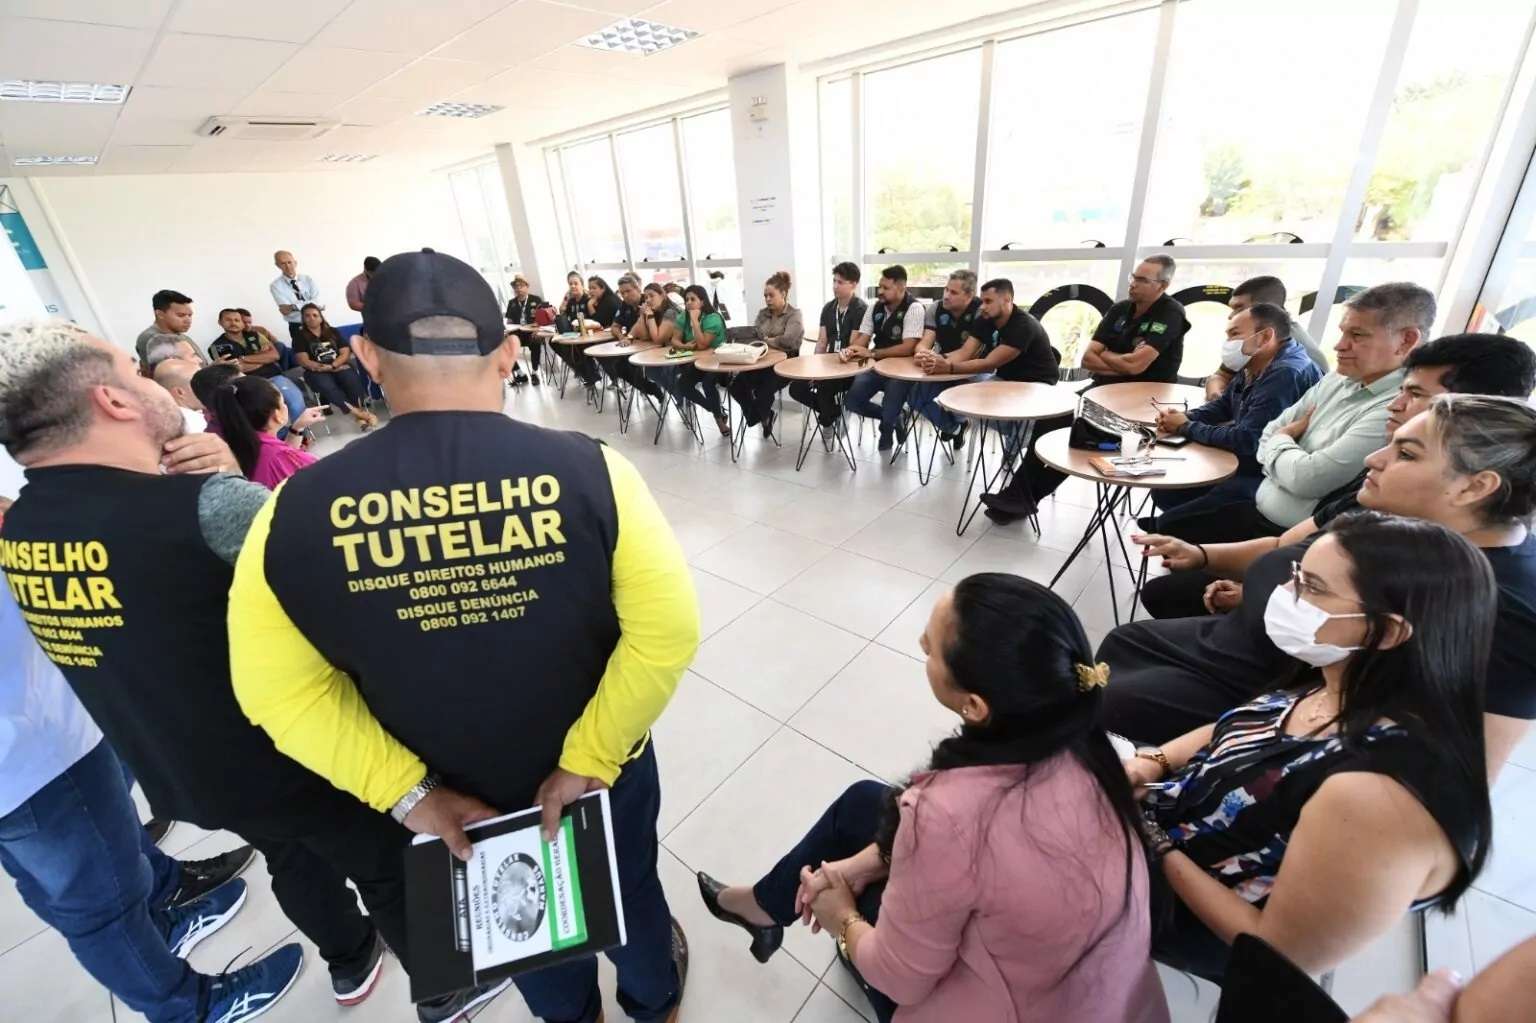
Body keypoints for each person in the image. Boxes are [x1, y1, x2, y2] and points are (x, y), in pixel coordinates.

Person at [227, 250, 698, 1023]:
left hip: (457, 794)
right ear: (510, 353)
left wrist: (408, 795)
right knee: (630, 888)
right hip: (601, 770)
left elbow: (275, 691)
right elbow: (666, 634)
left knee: (524, 931)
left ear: (367, 356)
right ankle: (653, 1001)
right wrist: (587, 756)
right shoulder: (592, 471)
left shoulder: (292, 510)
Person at [0, 318, 418, 1013]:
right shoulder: (209, 505)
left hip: (190, 773)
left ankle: (349, 957)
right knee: (389, 865)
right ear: (113, 400)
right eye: (133, 373)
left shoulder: (23, 528)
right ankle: (445, 985)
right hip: (300, 753)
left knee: (292, 857)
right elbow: (360, 596)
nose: (154, 380)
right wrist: (229, 480)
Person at [697, 574, 1167, 1023]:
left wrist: (841, 917)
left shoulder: (947, 812)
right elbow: (982, 856)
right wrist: (864, 862)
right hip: (1103, 999)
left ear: (976, 705)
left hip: (1004, 1007)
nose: (922, 644)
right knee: (864, 804)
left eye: (932, 648)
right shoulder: (1089, 746)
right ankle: (762, 906)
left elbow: (900, 977)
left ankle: (768, 911)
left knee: (856, 901)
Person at [1131, 512, 1493, 981]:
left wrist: (1152, 843)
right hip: (1159, 831)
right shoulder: (1339, 679)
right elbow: (1247, 726)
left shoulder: (1381, 796)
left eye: (1313, 588)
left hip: (1182, 909)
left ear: (1385, 631)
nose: (1287, 595)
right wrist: (1151, 762)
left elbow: (1281, 952)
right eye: (1296, 575)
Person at [1102, 394, 1536, 776]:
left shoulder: (1508, 612)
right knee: (1121, 645)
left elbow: (1454, 775)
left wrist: (1171, 763)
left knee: (1101, 699)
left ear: (1474, 486)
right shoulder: (1382, 507)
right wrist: (1229, 575)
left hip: (1272, 698)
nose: (1374, 459)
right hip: (1243, 648)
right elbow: (1284, 548)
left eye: (1406, 453)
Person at [0, 582, 297, 1023]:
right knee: (97, 904)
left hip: (37, 728)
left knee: (69, 872)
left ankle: (160, 912)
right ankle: (189, 1007)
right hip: (33, 753)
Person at [1134, 332, 1536, 620]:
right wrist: (1208, 558)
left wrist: (1267, 599)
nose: (1375, 461)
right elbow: (1284, 536)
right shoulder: (1379, 493)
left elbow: (1301, 473)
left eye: (1415, 396)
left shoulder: (1496, 603)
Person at [1148, 282, 1434, 544]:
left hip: (1280, 527)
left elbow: (1306, 477)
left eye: (1357, 335)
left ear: (1406, 341)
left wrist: (1282, 439)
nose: (1339, 345)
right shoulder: (1340, 378)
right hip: (1262, 493)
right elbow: (1267, 432)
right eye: (1343, 333)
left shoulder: (1397, 409)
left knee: (1171, 527)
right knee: (1168, 503)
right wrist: (1284, 446)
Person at [979, 258, 1189, 522]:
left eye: (1142, 280)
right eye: (1133, 277)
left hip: (1142, 401)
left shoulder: (1171, 312)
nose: (1133, 284)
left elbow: (1136, 366)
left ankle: (1021, 497)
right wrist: (1122, 363)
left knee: (1081, 435)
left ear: (1163, 285)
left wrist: (1112, 358)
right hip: (1103, 389)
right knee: (1052, 419)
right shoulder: (1121, 309)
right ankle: (1018, 496)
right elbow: (1088, 359)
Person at [1145, 303, 1324, 516]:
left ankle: (1178, 535)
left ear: (1265, 337)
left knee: (1176, 511)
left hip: (1269, 473)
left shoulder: (1285, 374)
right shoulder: (1255, 362)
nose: (1228, 343)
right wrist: (1186, 417)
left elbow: (1248, 439)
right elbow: (1224, 406)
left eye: (1234, 335)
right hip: (1249, 459)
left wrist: (1185, 427)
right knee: (1165, 493)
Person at [920, 278, 1059, 452]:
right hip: (1005, 378)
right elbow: (965, 352)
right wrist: (937, 359)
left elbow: (989, 363)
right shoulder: (986, 318)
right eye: (982, 300)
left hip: (1037, 383)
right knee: (957, 399)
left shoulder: (1023, 325)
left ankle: (1014, 449)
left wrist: (948, 367)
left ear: (1007, 300)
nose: (982, 306)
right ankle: (1015, 432)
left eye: (988, 301)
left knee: (1020, 423)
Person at [1203, 276, 1330, 399]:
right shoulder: (1253, 338)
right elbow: (1221, 375)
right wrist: (1215, 395)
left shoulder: (1289, 354)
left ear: (1266, 308)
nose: (1231, 316)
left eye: (1239, 308)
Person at [844, 265, 926, 450]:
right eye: (879, 286)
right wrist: (850, 350)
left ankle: (887, 429)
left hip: (902, 369)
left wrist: (873, 353)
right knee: (852, 402)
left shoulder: (914, 308)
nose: (880, 291)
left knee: (891, 403)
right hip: (877, 365)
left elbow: (908, 347)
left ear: (901, 288)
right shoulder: (875, 308)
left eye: (886, 288)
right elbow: (863, 340)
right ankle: (895, 418)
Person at [205, 375, 325, 489]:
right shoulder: (277, 458)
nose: (285, 406)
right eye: (283, 402)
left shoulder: (232, 439)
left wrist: (297, 428)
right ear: (277, 415)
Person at [790, 262, 867, 432]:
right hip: (829, 364)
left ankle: (826, 420)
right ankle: (833, 412)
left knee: (825, 387)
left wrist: (826, 372)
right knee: (796, 388)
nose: (835, 286)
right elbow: (822, 342)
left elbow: (853, 345)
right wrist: (815, 368)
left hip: (851, 365)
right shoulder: (828, 308)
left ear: (853, 284)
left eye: (840, 282)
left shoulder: (860, 309)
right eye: (834, 281)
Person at [728, 270, 803, 437]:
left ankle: (757, 416)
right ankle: (763, 415)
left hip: (786, 364)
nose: (767, 299)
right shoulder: (763, 313)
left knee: (763, 390)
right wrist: (773, 339)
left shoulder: (794, 314)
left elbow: (789, 341)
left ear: (783, 294)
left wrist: (768, 340)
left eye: (771, 295)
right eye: (765, 296)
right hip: (762, 360)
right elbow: (755, 336)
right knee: (735, 386)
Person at [209, 307, 307, 426]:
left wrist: (244, 359)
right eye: (228, 320)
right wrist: (263, 358)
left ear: (241, 322)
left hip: (274, 377)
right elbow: (235, 369)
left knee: (295, 401)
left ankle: (301, 434)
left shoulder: (255, 335)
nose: (233, 323)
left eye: (237, 320)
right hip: (249, 386)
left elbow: (275, 355)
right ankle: (280, 438)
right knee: (265, 416)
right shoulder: (217, 347)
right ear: (220, 322)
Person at [293, 302, 378, 430]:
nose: (312, 318)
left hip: (338, 365)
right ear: (303, 319)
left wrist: (333, 366)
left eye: (315, 315)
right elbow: (303, 360)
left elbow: (345, 352)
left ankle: (359, 416)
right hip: (316, 371)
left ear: (321, 317)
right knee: (327, 386)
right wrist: (323, 367)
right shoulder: (299, 336)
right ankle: (359, 414)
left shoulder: (332, 331)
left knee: (351, 380)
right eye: (307, 316)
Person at [671, 283, 731, 436]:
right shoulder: (682, 316)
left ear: (703, 301)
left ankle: (719, 420)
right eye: (686, 299)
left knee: (708, 383)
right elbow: (675, 341)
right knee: (682, 384)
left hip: (718, 361)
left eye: (693, 299)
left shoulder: (713, 318)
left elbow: (703, 344)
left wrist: (695, 321)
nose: (688, 303)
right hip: (698, 360)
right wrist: (686, 346)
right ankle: (716, 411)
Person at [603, 273, 666, 401]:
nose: (625, 295)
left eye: (628, 291)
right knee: (618, 367)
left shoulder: (648, 301)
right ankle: (651, 389)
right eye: (622, 293)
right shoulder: (624, 305)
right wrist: (622, 337)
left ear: (638, 289)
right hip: (633, 345)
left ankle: (654, 389)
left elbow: (644, 334)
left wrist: (631, 336)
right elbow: (615, 326)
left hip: (652, 346)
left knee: (632, 369)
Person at [269, 249, 322, 343]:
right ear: (277, 265)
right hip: (297, 325)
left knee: (329, 350)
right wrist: (309, 303)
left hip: (318, 322)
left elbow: (316, 302)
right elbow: (285, 311)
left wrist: (294, 306)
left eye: (289, 262)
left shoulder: (307, 279)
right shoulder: (276, 286)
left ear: (295, 263)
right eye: (283, 263)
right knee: (304, 355)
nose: (288, 266)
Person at [505, 273, 549, 386]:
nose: (518, 289)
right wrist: (506, 332)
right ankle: (520, 374)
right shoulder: (512, 303)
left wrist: (537, 329)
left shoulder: (536, 299)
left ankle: (534, 373)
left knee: (536, 341)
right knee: (504, 346)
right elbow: (509, 322)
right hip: (517, 334)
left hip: (531, 333)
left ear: (526, 286)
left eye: (521, 285)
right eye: (516, 286)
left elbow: (542, 320)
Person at [135, 289, 196, 366]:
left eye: (190, 315)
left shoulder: (179, 335)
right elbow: (178, 374)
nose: (188, 320)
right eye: (181, 315)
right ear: (160, 314)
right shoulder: (154, 339)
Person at [151, 358, 209, 435]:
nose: (208, 387)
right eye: (200, 384)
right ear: (180, 392)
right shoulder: (199, 426)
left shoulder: (160, 420)